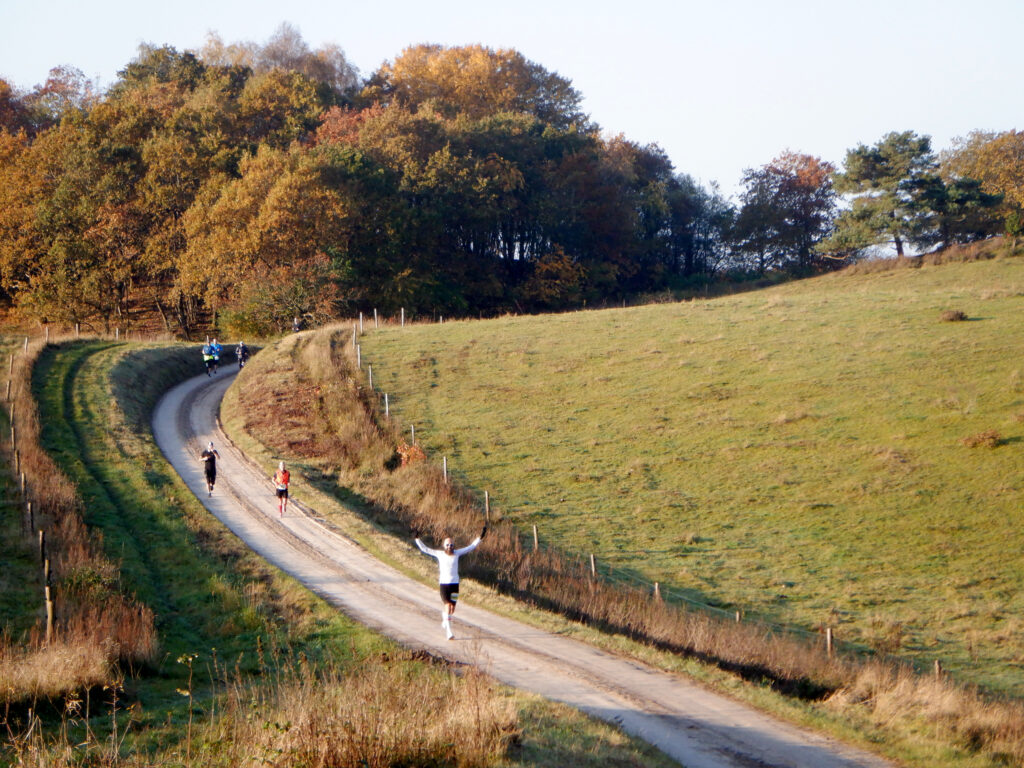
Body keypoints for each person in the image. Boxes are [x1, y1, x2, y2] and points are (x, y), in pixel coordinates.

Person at [414, 525, 486, 640]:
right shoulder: (440, 554)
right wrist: (417, 539)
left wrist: (480, 537)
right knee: (447, 605)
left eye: (451, 545)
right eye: (447, 545)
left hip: (455, 585)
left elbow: (471, 547)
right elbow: (425, 549)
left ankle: (445, 618)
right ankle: (449, 632)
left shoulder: (457, 553)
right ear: (444, 546)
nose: (450, 546)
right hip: (444, 585)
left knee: (452, 608)